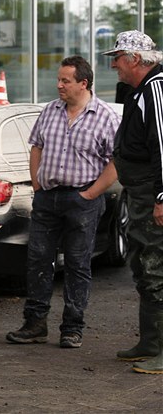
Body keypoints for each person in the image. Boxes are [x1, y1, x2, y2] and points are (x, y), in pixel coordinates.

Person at [6, 56, 120, 349]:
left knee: (78, 264)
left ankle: (72, 327)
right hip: (48, 198)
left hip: (83, 199)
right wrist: (37, 184)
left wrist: (90, 194)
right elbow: (36, 147)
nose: (59, 85)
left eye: (65, 81)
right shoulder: (50, 111)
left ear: (83, 83)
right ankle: (35, 324)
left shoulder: (105, 116)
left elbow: (116, 162)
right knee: (38, 261)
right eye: (58, 80)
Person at [102, 30, 163, 374]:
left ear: (135, 59)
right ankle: (151, 342)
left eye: (118, 58)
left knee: (156, 267)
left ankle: (161, 348)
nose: (114, 65)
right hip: (139, 193)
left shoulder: (156, 89)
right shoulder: (138, 91)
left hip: (150, 193)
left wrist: (161, 196)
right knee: (142, 265)